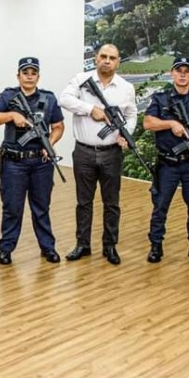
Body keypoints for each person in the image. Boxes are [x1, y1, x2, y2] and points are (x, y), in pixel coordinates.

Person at [59, 43, 137, 265]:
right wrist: (90, 109)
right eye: (103, 56)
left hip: (111, 152)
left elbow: (131, 114)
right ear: (96, 58)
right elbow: (64, 99)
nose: (107, 61)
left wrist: (126, 133)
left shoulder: (126, 88)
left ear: (118, 62)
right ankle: (82, 244)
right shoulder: (81, 80)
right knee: (84, 202)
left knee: (111, 203)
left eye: (112, 58)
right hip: (84, 151)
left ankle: (109, 245)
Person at [0, 57, 65, 265]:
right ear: (18, 75)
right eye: (25, 73)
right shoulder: (8, 96)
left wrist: (50, 143)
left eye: (33, 73)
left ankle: (48, 247)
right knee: (12, 208)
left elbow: (58, 126)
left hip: (41, 162)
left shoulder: (49, 98)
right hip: (14, 162)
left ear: (38, 76)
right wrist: (11, 115)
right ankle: (6, 249)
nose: (29, 76)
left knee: (41, 207)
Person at [143, 56, 189, 265]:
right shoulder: (161, 98)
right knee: (160, 206)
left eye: (186, 71)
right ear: (172, 73)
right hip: (168, 163)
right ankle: (156, 245)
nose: (182, 75)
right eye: (179, 71)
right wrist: (170, 124)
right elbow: (148, 123)